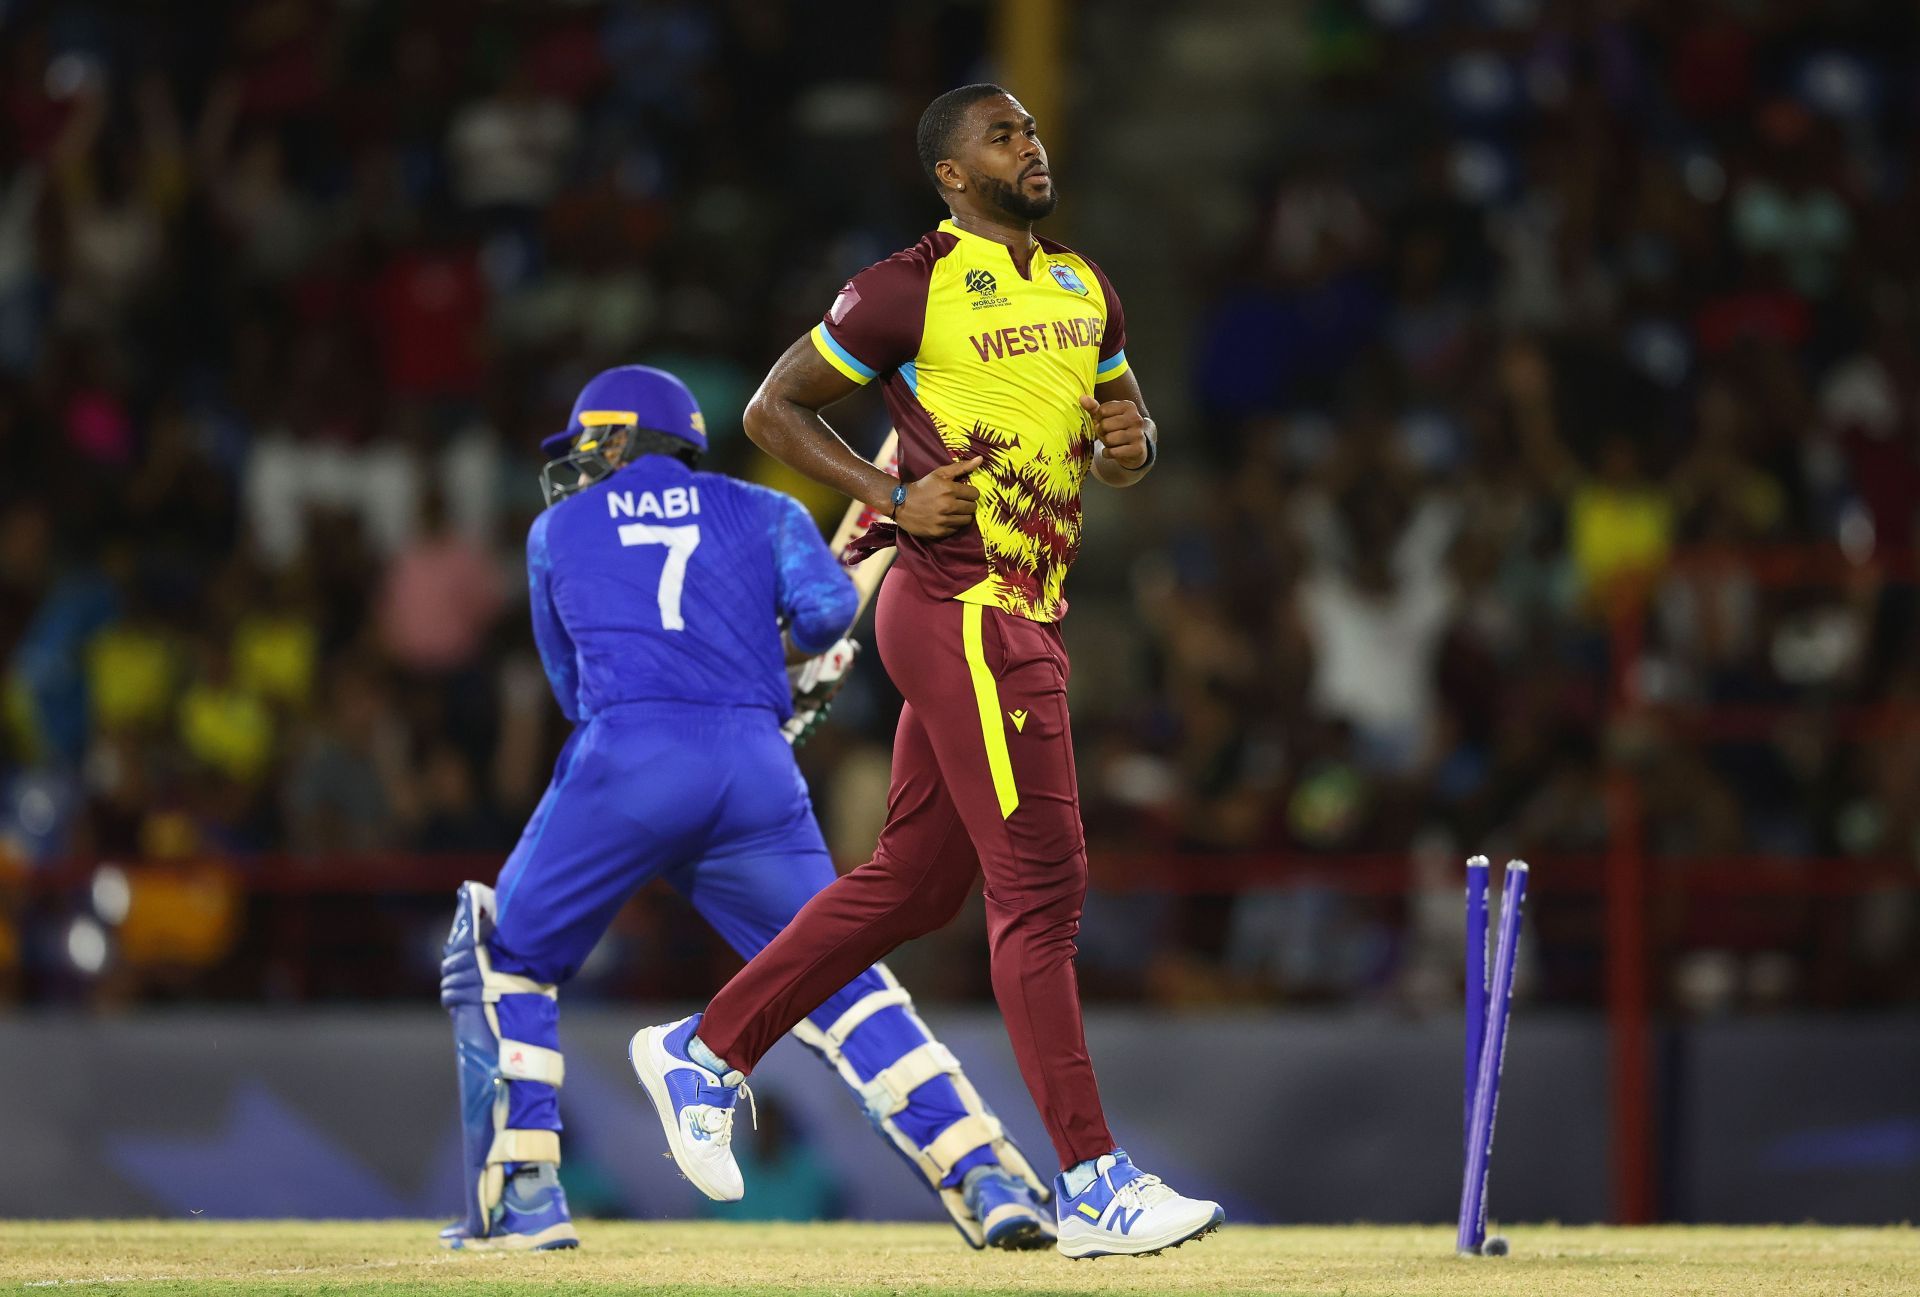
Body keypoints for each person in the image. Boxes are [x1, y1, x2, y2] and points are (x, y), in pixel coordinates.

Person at [629, 86, 1224, 1259]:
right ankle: (1096, 1181)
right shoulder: (908, 284)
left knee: (915, 885)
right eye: (1003, 136)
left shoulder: (1083, 283)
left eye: (1035, 132)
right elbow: (770, 407)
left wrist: (1131, 448)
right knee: (1042, 891)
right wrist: (888, 494)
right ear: (951, 174)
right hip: (969, 609)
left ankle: (704, 1051)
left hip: (1011, 608)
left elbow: (1129, 429)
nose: (1031, 146)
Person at [439, 364, 1055, 1251]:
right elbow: (832, 606)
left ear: (616, 438)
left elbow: (576, 689)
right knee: (836, 973)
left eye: (586, 445)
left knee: (501, 949)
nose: (578, 464)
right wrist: (784, 672)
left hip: (629, 759)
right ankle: (989, 1175)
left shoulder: (556, 527)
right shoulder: (765, 509)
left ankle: (522, 1202)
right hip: (754, 769)